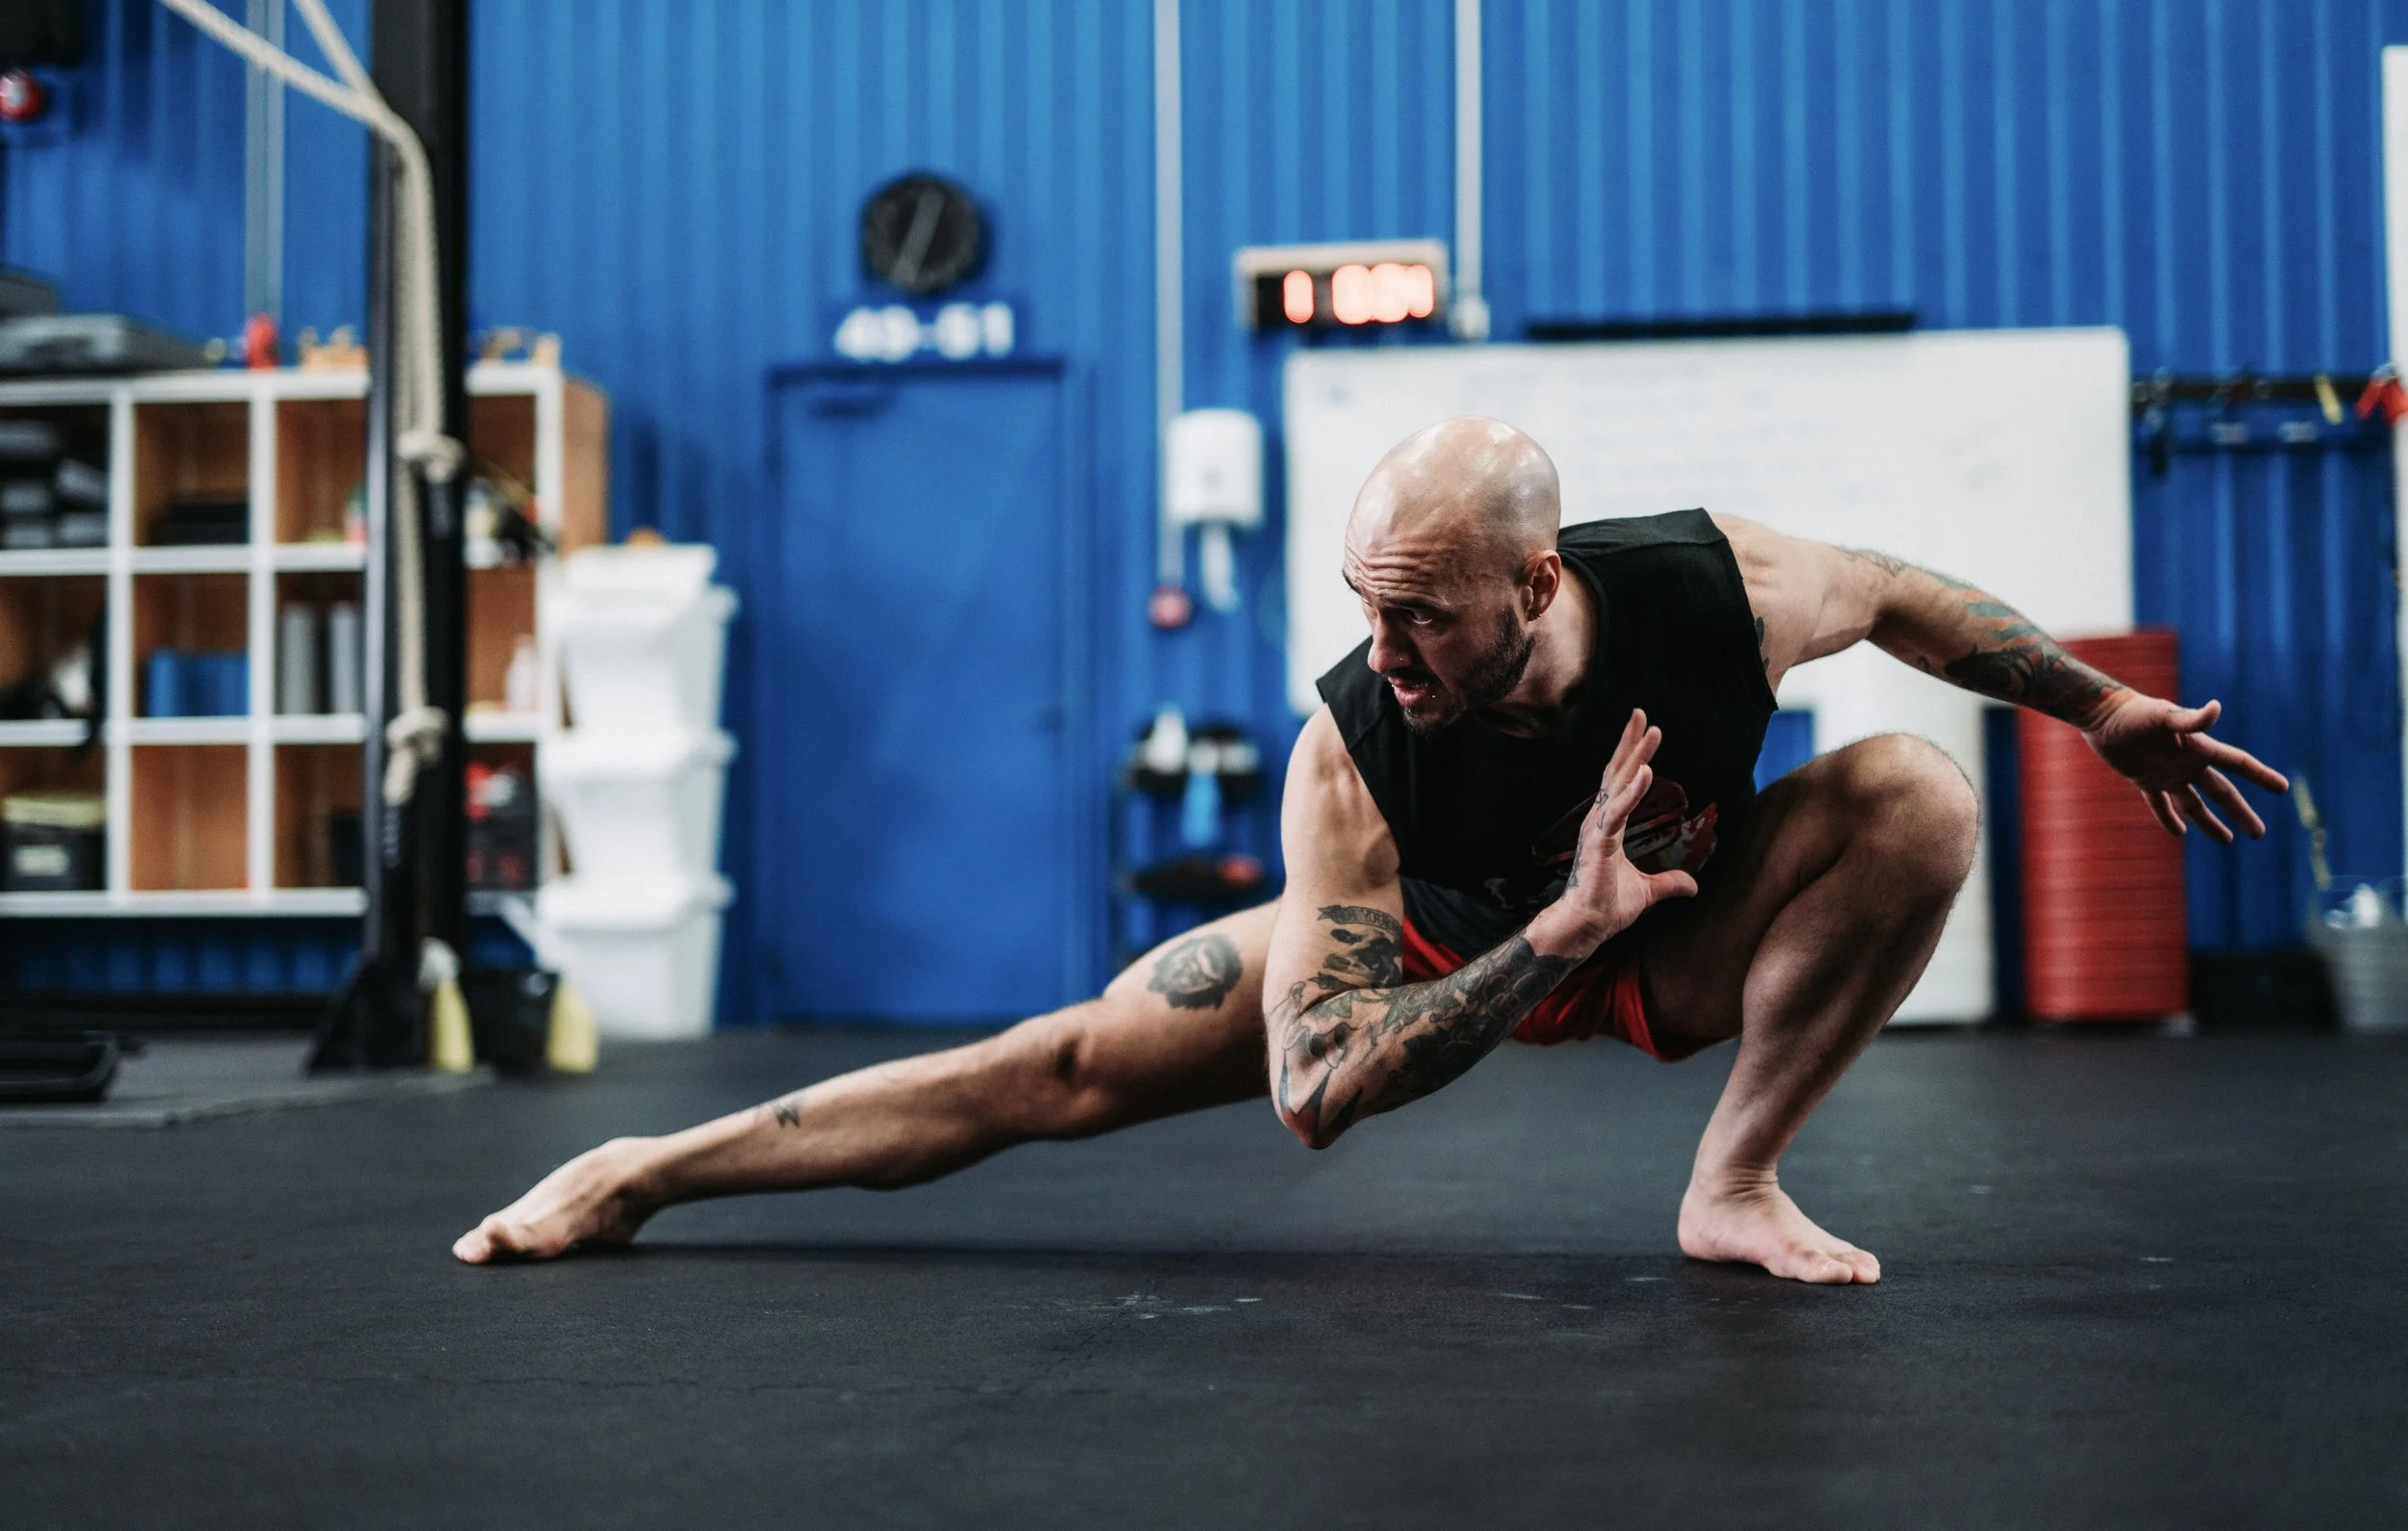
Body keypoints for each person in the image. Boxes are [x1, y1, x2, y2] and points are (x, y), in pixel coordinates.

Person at [456, 417, 2286, 1284]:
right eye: (1364, 610)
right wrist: (1549, 932)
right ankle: (647, 1170)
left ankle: (1733, 1184)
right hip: (1451, 942)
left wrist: (2090, 705)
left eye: (1420, 617)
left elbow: (1906, 597)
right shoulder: (1351, 757)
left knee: (1921, 795)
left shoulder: (1712, 591)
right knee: (1064, 1061)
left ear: (1539, 585)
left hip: (1671, 922)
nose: (1386, 655)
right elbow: (1316, 1100)